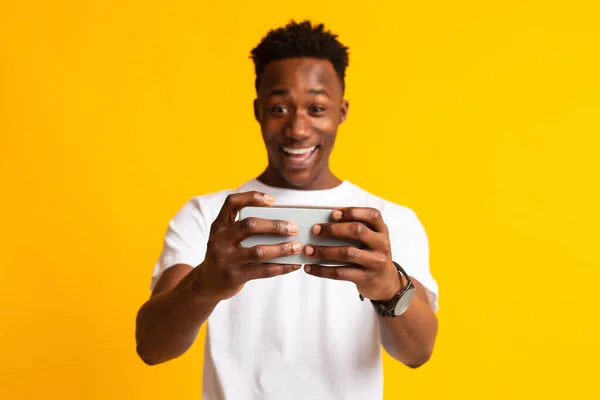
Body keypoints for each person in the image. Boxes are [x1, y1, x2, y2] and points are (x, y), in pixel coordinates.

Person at [135, 20, 439, 400]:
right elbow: (152, 346)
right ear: (257, 111)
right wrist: (205, 284)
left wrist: (390, 289)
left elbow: (418, 352)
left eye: (316, 108)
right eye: (279, 108)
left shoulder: (387, 221)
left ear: (341, 111)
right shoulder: (208, 215)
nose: (297, 129)